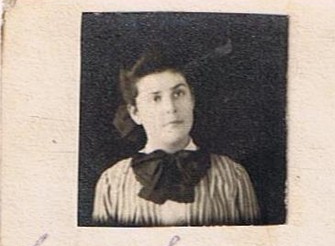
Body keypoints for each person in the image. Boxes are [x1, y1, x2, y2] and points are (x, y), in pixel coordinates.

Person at [93, 50, 259, 226]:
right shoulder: (112, 183)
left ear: (192, 100)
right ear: (135, 113)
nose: (170, 107)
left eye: (178, 94)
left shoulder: (233, 176)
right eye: (156, 98)